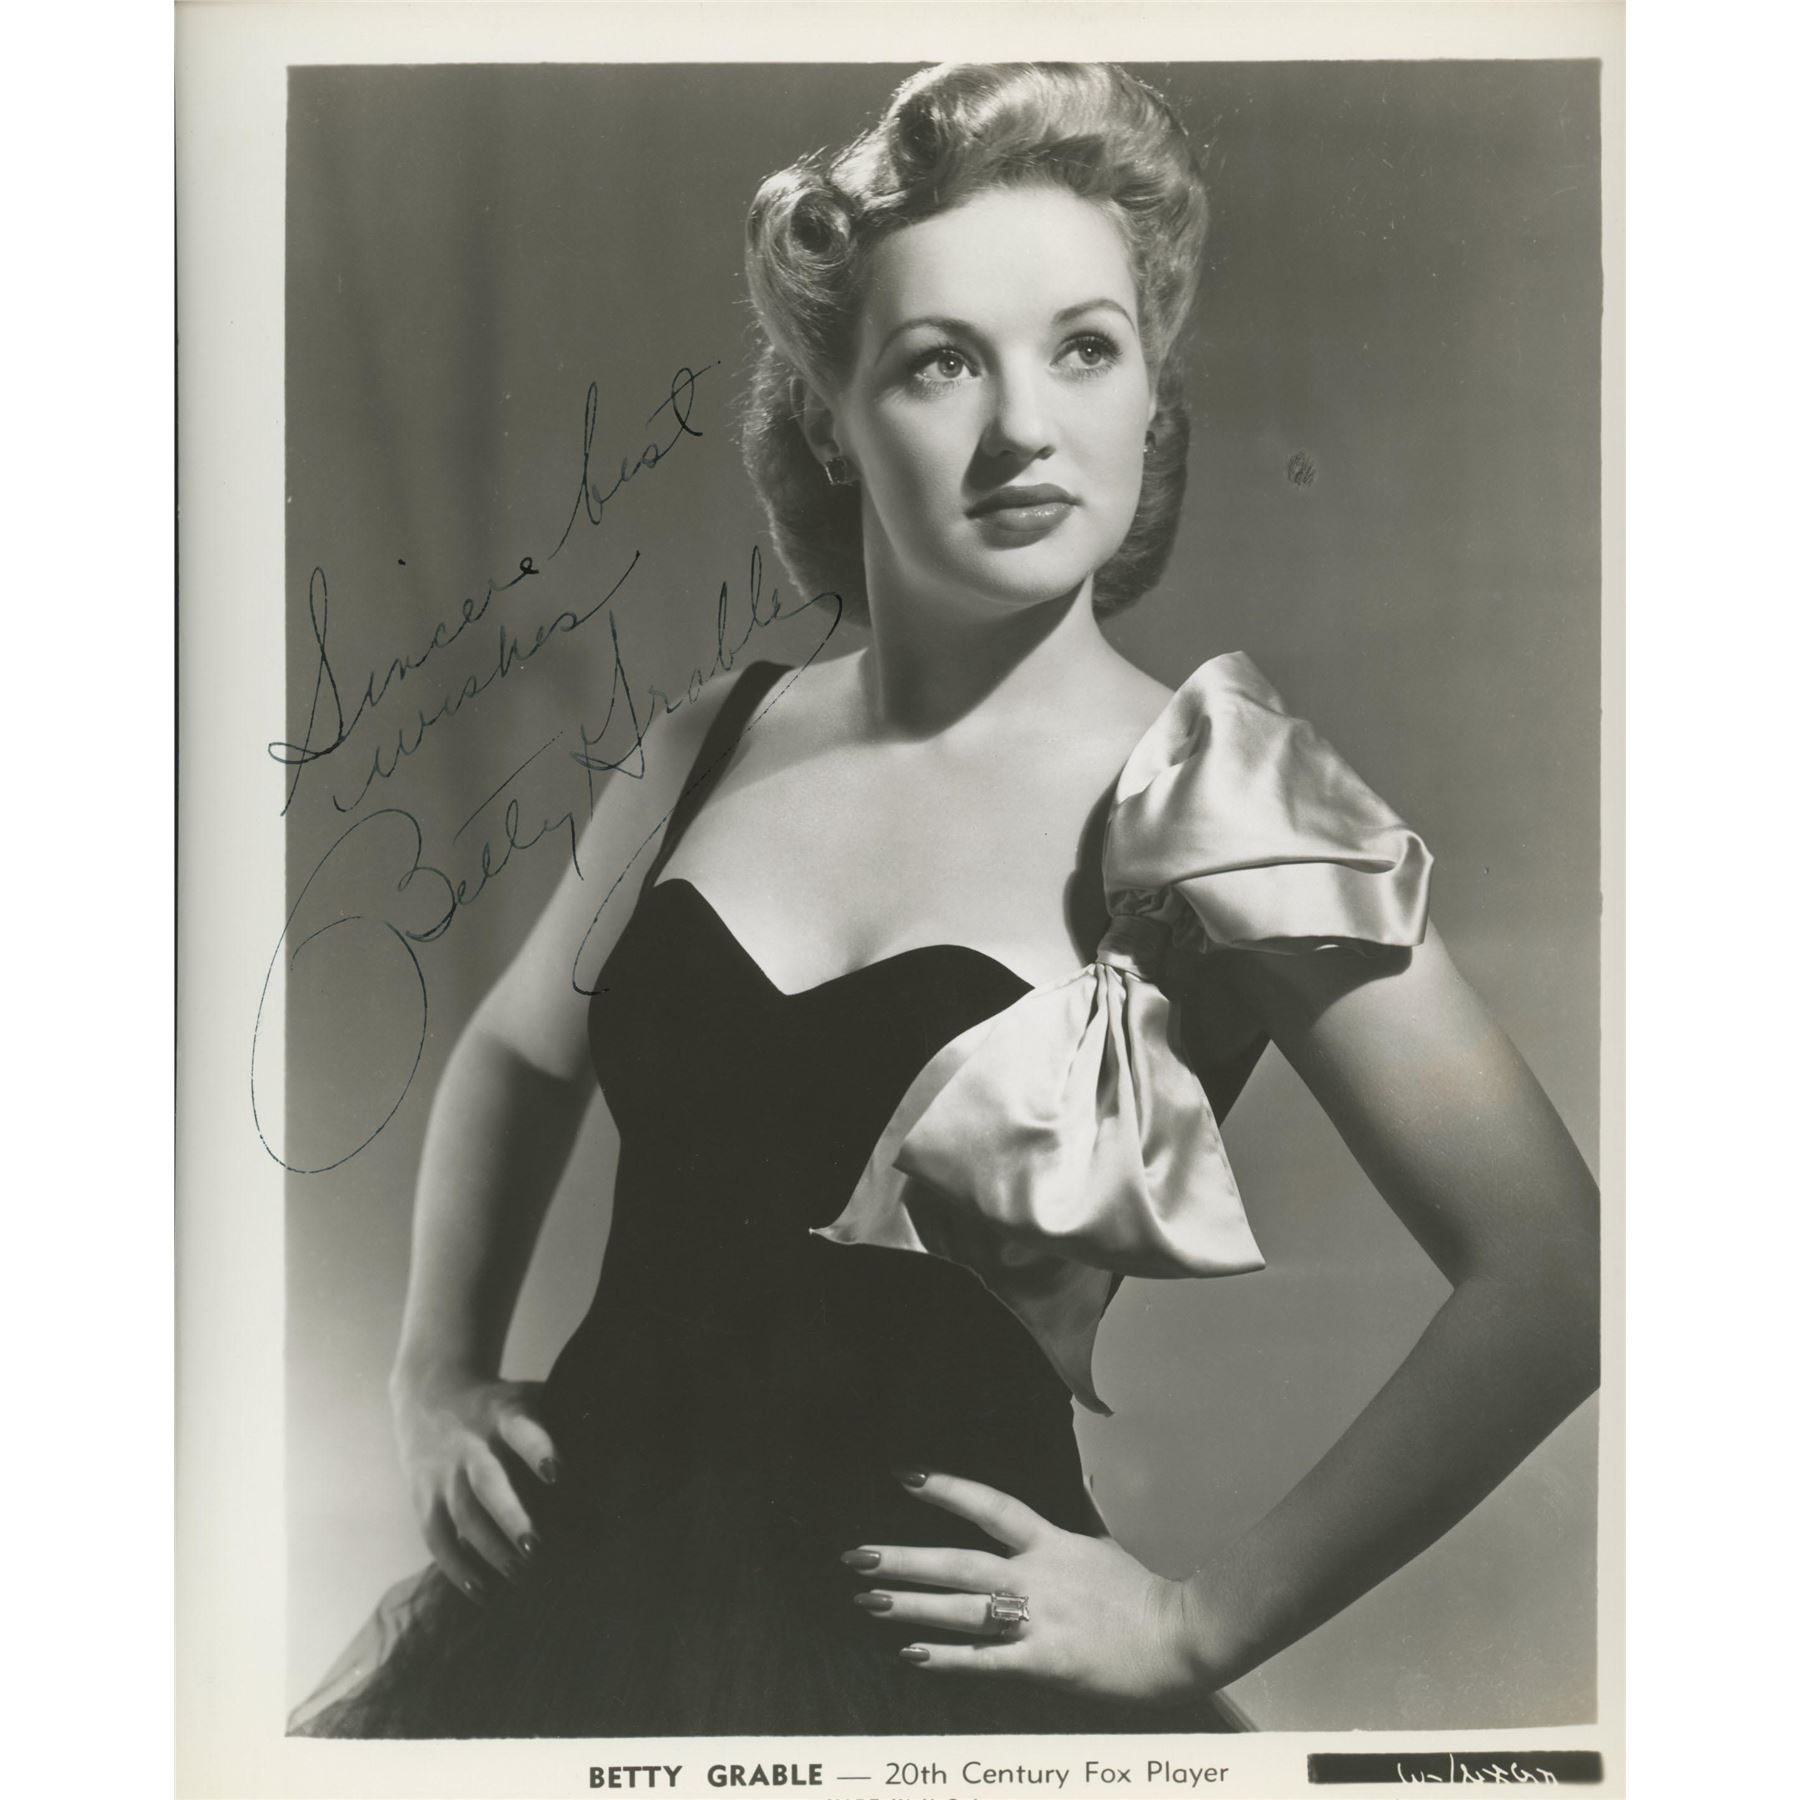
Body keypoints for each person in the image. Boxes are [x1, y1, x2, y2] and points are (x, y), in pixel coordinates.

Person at [291, 61, 1598, 1738]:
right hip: (573, 1623)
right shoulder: (709, 739)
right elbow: (515, 1056)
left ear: (1151, 395)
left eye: (1085, 348)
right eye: (939, 363)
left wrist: (1196, 1627)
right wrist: (433, 1370)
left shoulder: (1226, 793)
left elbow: (1557, 1273)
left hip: (941, 1689)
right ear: (831, 417)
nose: (1024, 427)